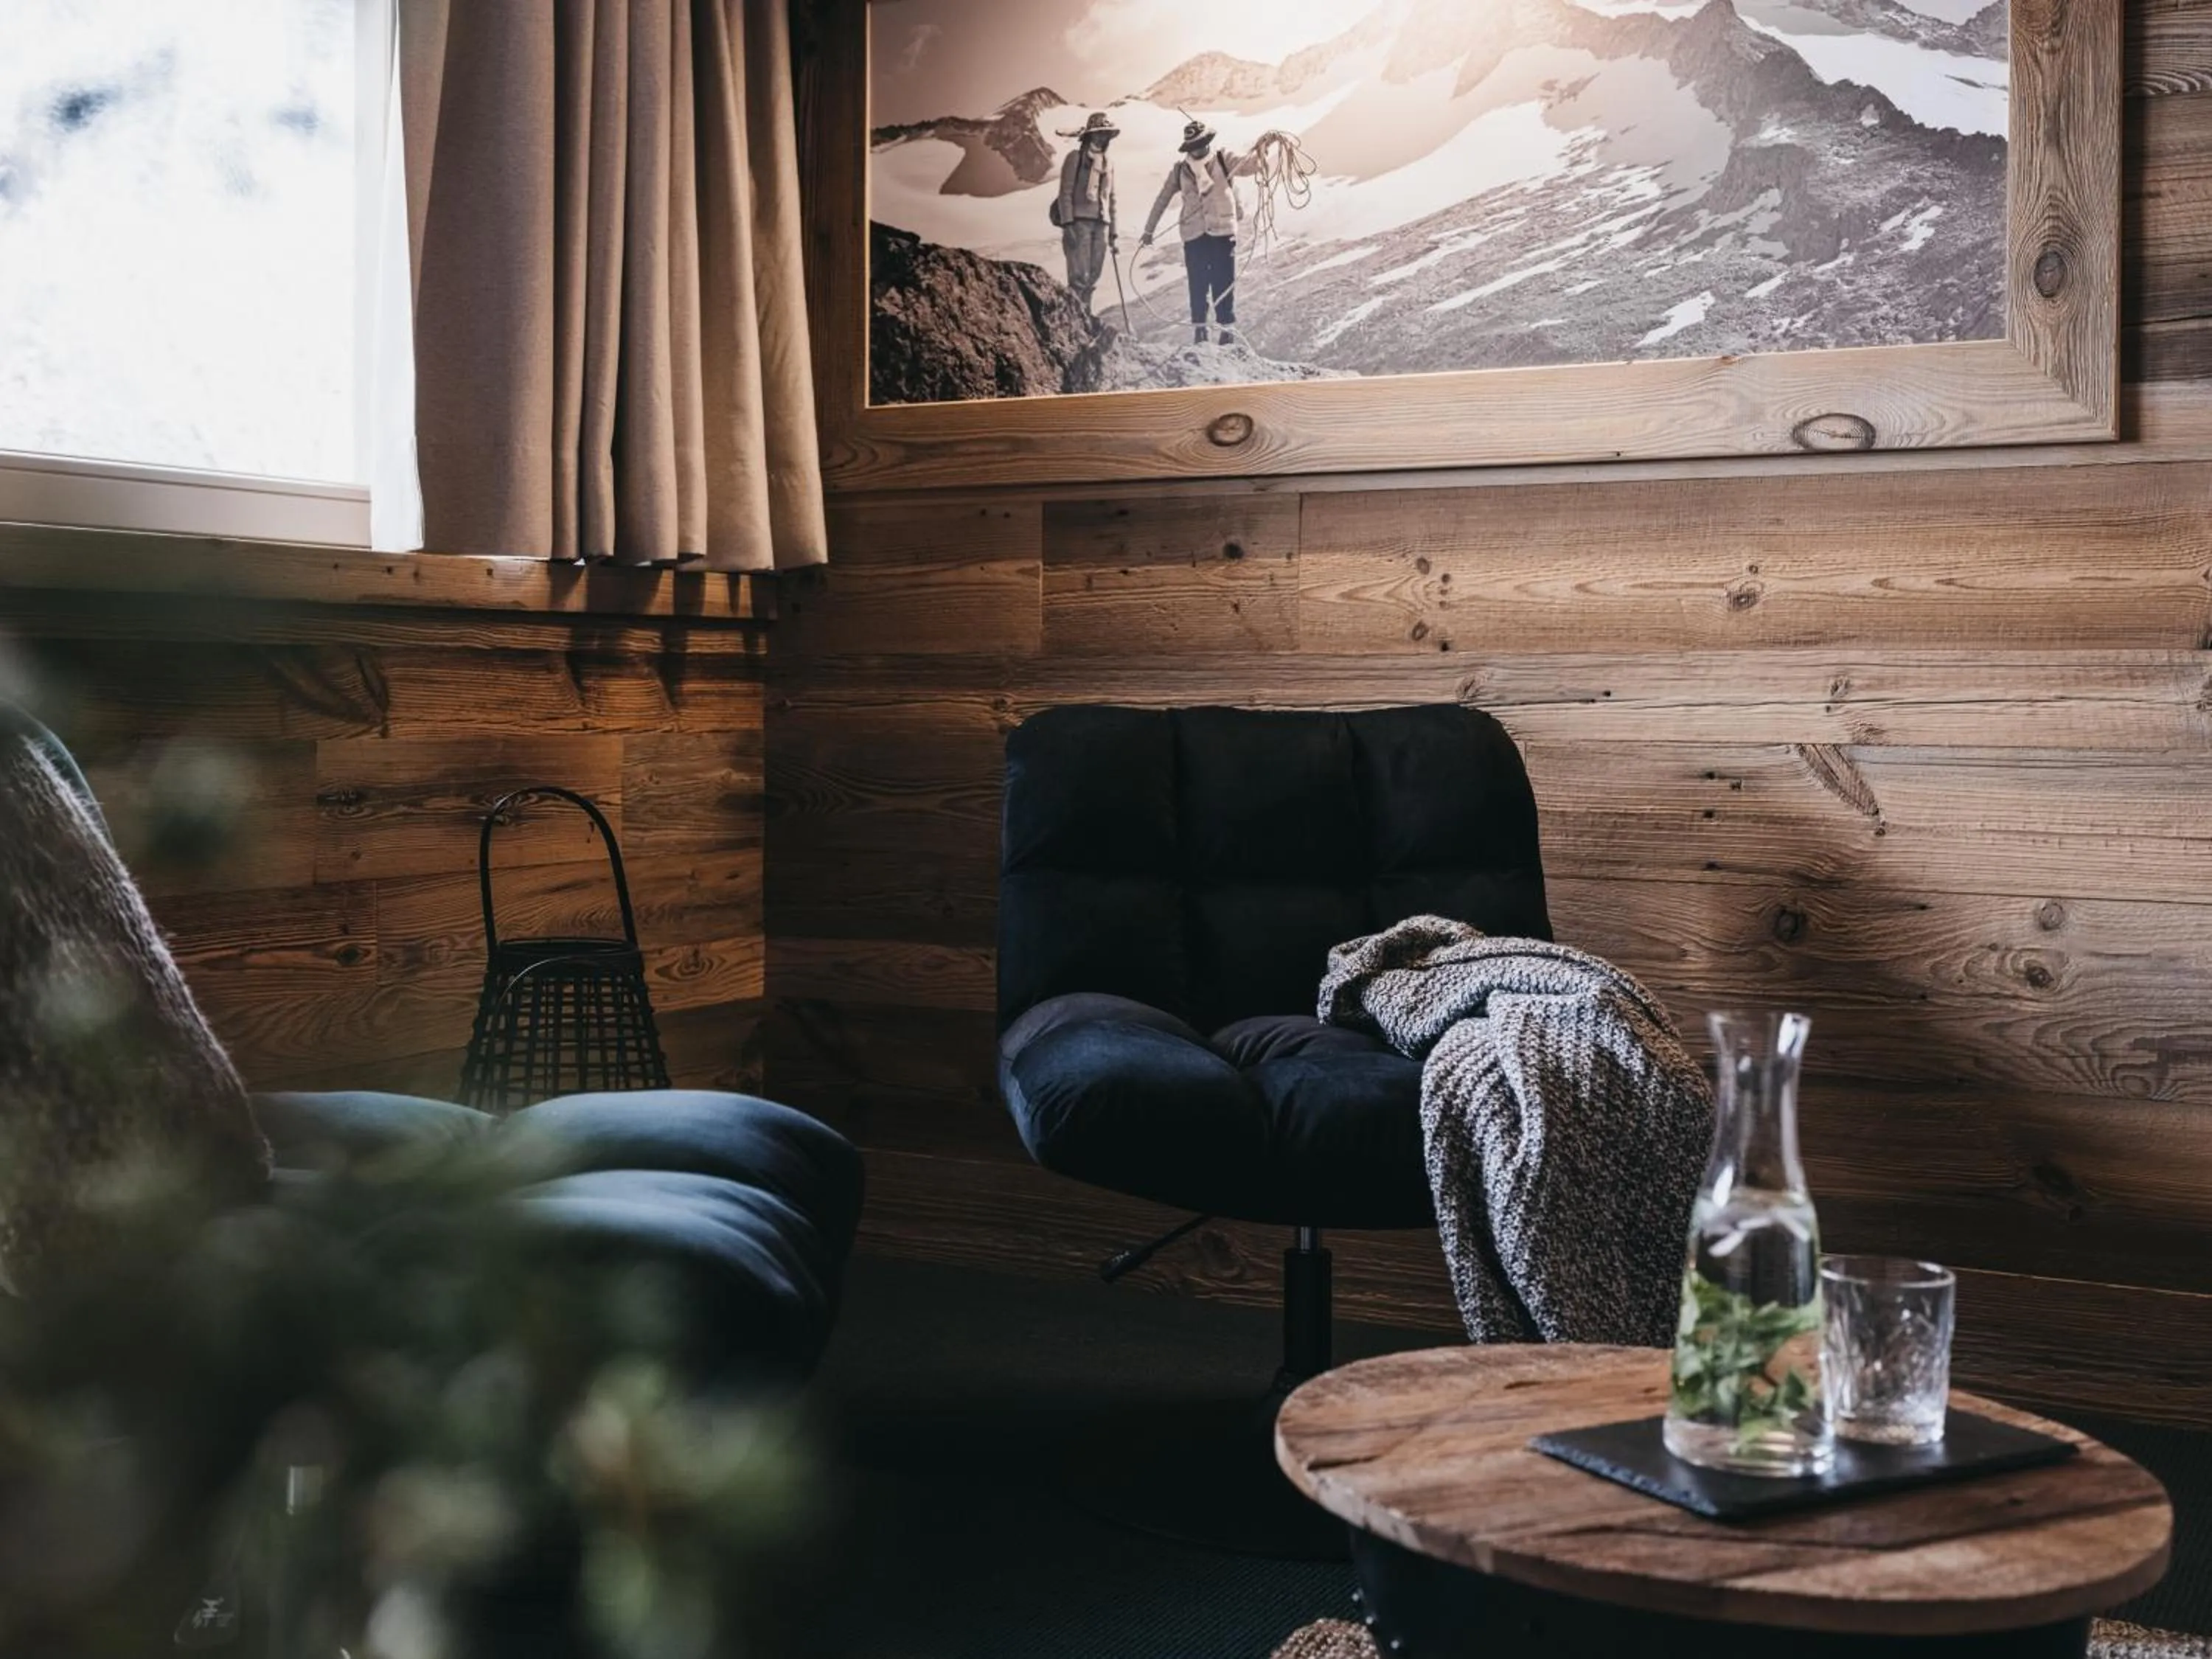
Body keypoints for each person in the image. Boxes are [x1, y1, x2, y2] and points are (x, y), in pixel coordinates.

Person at [1140, 119, 1259, 347]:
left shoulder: (1223, 159)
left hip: (1222, 233)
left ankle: (1226, 331)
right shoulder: (1180, 170)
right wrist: (1149, 230)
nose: (1199, 148)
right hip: (1194, 235)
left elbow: (1249, 166)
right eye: (1194, 145)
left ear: (1208, 141)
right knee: (1198, 285)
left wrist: (1262, 150)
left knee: (1224, 283)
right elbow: (1162, 199)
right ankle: (1200, 331)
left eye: (1202, 143)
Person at [1053, 111, 1119, 315]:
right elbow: (1065, 193)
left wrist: (1113, 231)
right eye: (1099, 133)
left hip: (1101, 223)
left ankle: (1085, 315)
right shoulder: (1075, 158)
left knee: (1094, 273)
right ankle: (1075, 317)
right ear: (1090, 136)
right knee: (1079, 274)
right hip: (1078, 222)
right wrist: (1068, 224)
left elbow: (1111, 198)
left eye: (1106, 134)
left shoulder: (1108, 163)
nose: (1103, 138)